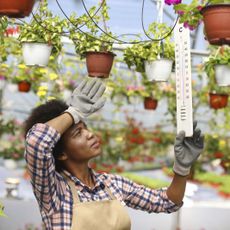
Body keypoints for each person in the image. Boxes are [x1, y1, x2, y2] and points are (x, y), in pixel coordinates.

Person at [24, 78, 204, 230]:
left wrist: (181, 168)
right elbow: (36, 143)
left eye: (85, 128)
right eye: (78, 133)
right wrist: (73, 112)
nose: (90, 134)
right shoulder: (54, 191)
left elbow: (166, 202)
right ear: (61, 153)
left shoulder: (112, 184)